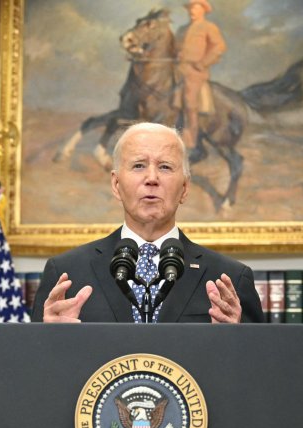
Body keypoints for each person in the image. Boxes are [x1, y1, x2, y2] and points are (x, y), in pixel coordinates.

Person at [31, 122, 264, 324]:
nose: (152, 178)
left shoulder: (229, 280)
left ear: (184, 188)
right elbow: (36, 367)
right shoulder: (67, 274)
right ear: (116, 185)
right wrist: (50, 336)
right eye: (138, 165)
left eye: (165, 167)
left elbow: (258, 369)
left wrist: (236, 338)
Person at [175, 0, 226, 158]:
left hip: (195, 72)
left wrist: (203, 62)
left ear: (204, 10)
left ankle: (191, 141)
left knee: (190, 101)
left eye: (196, 7)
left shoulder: (208, 27)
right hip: (177, 69)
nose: (192, 10)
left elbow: (219, 47)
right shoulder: (182, 29)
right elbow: (175, 48)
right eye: (190, 8)